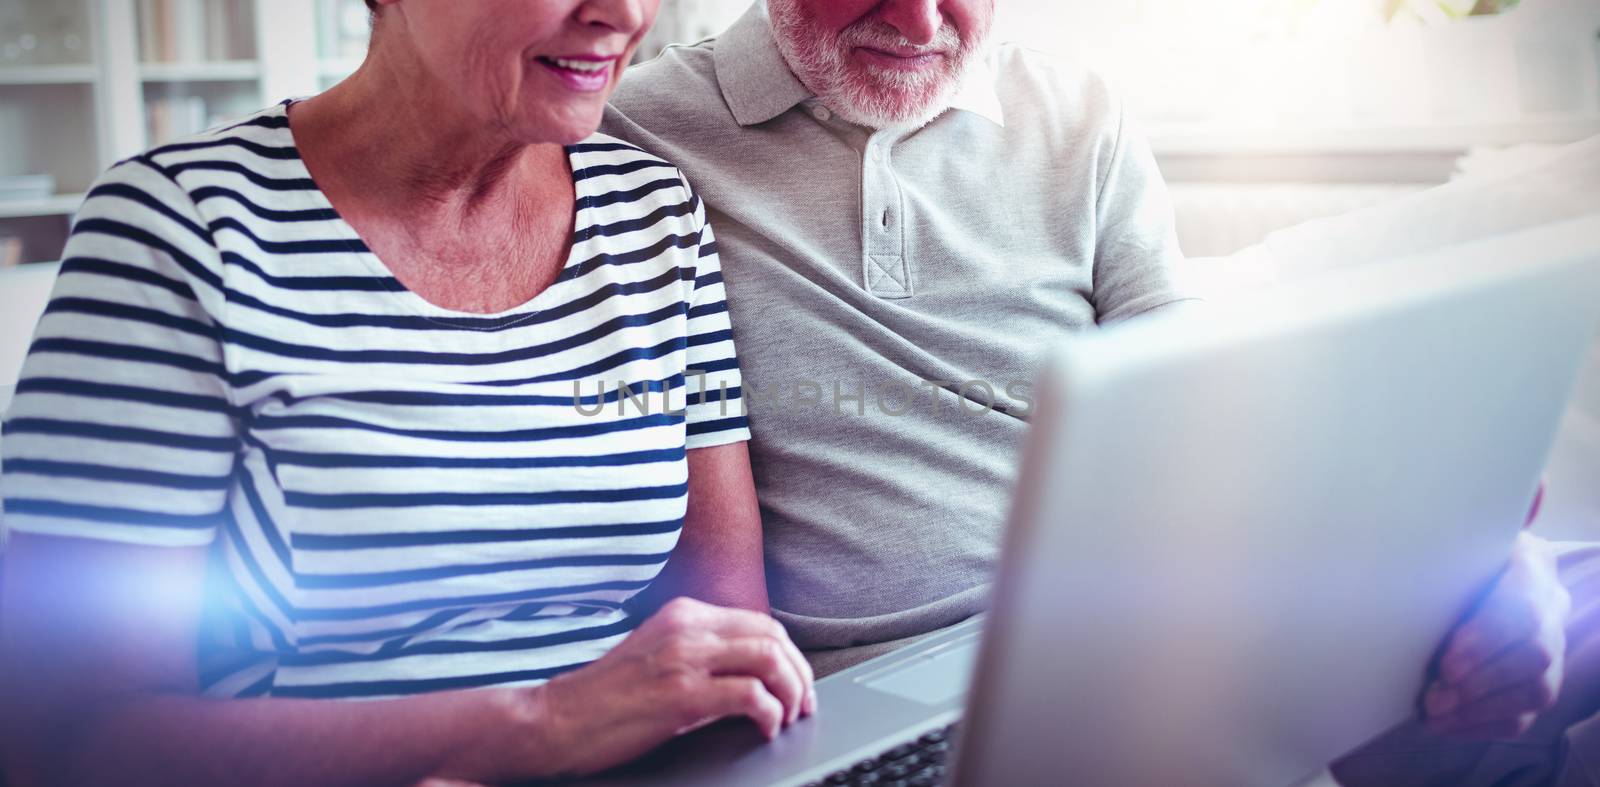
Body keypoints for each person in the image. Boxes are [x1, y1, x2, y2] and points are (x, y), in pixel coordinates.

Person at [600, 0, 1597, 780]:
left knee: (1493, 621)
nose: (916, 22)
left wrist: (1452, 547)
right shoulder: (631, 135)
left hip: (1130, 649)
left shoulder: (1080, 116)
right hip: (862, 696)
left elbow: (1209, 425)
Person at [0, 1, 815, 785]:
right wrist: (539, 724)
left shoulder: (654, 213)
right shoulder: (179, 227)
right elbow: (66, 736)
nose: (625, 13)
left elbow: (732, 639)